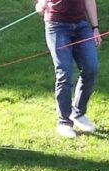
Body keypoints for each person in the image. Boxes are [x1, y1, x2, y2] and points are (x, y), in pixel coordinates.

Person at [35, 0, 101, 138]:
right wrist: (40, 3)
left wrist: (95, 27)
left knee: (91, 68)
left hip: (81, 26)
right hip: (56, 26)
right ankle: (64, 122)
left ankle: (78, 113)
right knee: (64, 73)